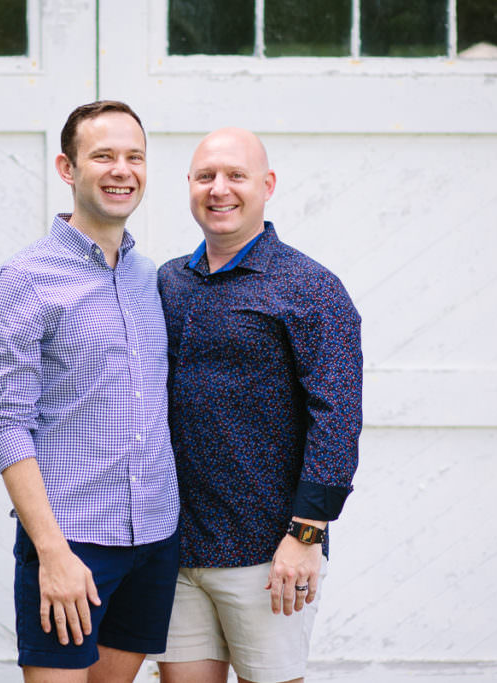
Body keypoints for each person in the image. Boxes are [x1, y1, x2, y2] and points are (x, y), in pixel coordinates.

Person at [153, 128, 362, 683]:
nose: (219, 189)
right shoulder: (168, 282)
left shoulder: (310, 288)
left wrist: (306, 535)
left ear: (267, 186)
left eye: (236, 176)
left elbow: (337, 419)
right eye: (205, 176)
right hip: (177, 549)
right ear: (189, 186)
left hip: (268, 553)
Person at [0, 100, 180, 683]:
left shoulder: (151, 278)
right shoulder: (25, 279)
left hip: (154, 537)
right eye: (104, 156)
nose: (122, 170)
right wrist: (52, 552)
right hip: (72, 542)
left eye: (135, 157)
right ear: (67, 169)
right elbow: (6, 424)